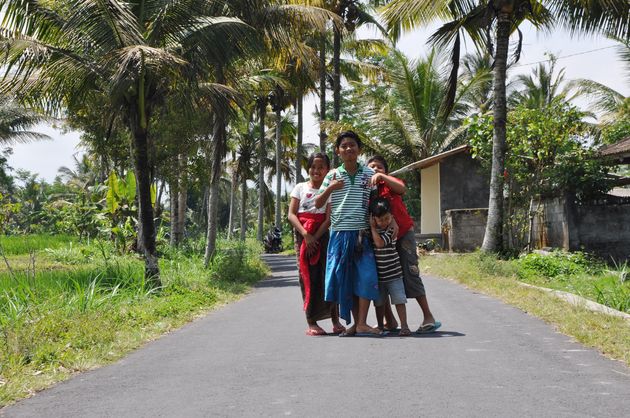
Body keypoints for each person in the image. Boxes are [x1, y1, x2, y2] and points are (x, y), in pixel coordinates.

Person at [315, 131, 381, 336]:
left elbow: (378, 204)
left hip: (362, 234)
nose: (348, 149)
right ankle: (357, 324)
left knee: (367, 276)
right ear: (338, 151)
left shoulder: (369, 174)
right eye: (344, 146)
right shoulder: (332, 175)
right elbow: (317, 203)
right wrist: (330, 188)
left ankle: (361, 323)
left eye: (352, 145)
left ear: (359, 149)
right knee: (345, 279)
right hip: (339, 234)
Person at [367, 155, 440, 333]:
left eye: (379, 167)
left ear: (386, 171)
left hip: (403, 235)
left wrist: (383, 177)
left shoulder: (390, 183)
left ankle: (428, 316)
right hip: (379, 239)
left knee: (411, 273)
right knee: (382, 277)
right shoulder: (366, 189)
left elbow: (402, 188)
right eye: (371, 167)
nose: (375, 170)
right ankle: (390, 321)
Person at [288, 152, 346, 336]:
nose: (317, 170)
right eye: (313, 166)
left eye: (321, 167)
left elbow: (328, 219)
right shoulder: (299, 187)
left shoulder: (330, 190)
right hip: (302, 235)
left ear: (327, 170)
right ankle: (311, 322)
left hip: (323, 236)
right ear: (308, 169)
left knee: (328, 276)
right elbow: (291, 214)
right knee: (306, 277)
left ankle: (335, 321)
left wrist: (316, 237)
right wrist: (306, 235)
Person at [369, 197, 411, 336]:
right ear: (373, 218)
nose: (383, 222)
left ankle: (404, 326)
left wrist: (372, 228)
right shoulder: (372, 232)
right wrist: (372, 228)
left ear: (391, 217)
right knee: (379, 303)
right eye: (380, 220)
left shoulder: (392, 229)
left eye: (387, 218)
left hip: (394, 275)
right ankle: (380, 326)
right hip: (378, 277)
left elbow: (380, 243)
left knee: (399, 300)